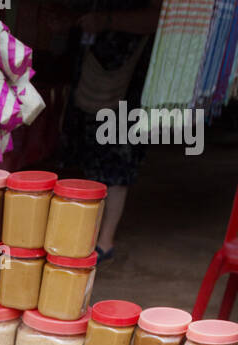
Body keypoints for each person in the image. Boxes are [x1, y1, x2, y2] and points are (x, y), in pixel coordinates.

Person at [61, 1, 162, 260]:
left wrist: (106, 21)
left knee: (117, 156)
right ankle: (87, 232)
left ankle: (104, 240)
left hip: (127, 75)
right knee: (89, 153)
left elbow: (156, 17)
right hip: (96, 70)